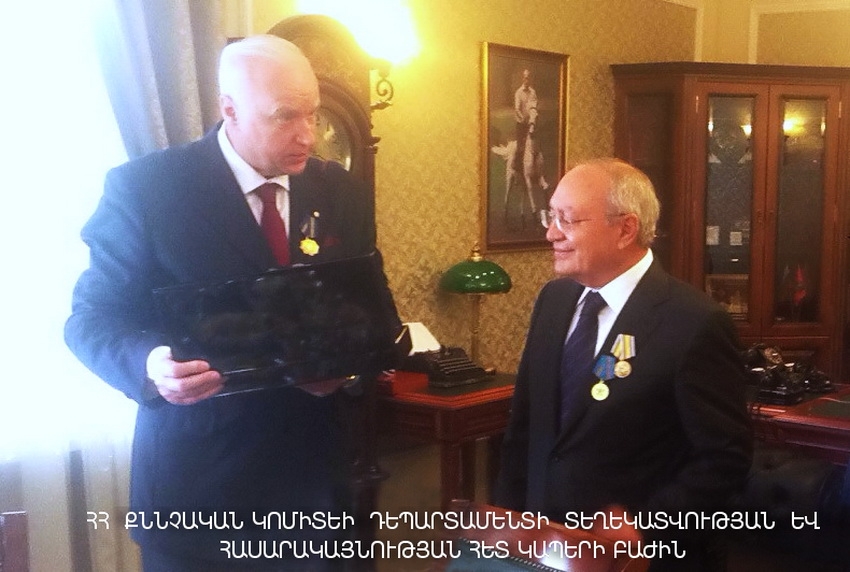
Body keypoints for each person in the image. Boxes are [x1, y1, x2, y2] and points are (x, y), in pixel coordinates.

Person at [65, 35, 399, 571]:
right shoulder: (147, 190)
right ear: (230, 109)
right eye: (285, 116)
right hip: (199, 492)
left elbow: (371, 313)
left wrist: (350, 367)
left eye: (313, 114)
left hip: (314, 487)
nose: (308, 135)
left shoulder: (342, 193)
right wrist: (150, 366)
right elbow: (91, 319)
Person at [494, 158, 753, 571]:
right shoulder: (553, 300)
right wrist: (506, 532)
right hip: (545, 550)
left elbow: (725, 459)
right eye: (551, 216)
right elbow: (524, 428)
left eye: (567, 219)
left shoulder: (694, 321)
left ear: (625, 229)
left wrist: (644, 528)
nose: (551, 233)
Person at [512, 68, 537, 173]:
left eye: (528, 78)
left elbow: (533, 107)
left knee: (533, 147)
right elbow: (517, 108)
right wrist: (522, 118)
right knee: (520, 147)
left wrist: (531, 122)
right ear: (522, 79)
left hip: (530, 123)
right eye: (525, 78)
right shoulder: (518, 92)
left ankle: (534, 169)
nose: (527, 80)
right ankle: (517, 168)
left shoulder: (533, 92)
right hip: (521, 123)